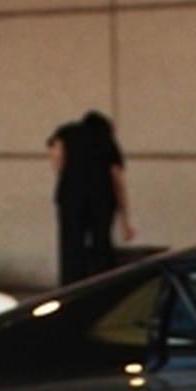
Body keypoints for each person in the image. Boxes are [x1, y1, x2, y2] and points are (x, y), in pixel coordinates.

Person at [48, 110, 133, 283]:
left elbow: (57, 154)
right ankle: (103, 285)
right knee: (102, 243)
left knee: (71, 246)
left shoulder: (67, 132)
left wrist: (65, 170)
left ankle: (70, 287)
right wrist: (126, 220)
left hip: (71, 196)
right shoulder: (106, 140)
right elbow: (117, 178)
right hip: (102, 198)